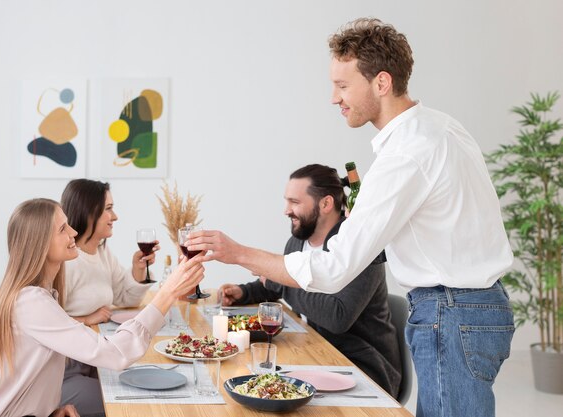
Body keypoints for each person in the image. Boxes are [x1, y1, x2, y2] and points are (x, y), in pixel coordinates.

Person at [187, 18, 515, 417]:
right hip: (472, 307)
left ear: (381, 83)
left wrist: (236, 252)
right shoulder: (441, 129)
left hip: (450, 311)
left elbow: (334, 269)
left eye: (343, 86)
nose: (333, 98)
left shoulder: (406, 154)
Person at [0, 198, 204, 417]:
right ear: (39, 243)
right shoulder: (31, 303)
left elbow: (25, 377)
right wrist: (167, 293)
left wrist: (49, 410)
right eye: (63, 229)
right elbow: (115, 354)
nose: (73, 232)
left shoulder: (37, 297)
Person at [219, 164, 402, 397]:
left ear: (326, 204)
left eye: (294, 202)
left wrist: (277, 281)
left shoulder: (359, 248)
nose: (286, 210)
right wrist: (245, 292)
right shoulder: (297, 242)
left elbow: (337, 317)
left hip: (362, 368)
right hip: (315, 354)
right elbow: (290, 285)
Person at [59, 179, 157, 415]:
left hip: (93, 361)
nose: (115, 217)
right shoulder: (67, 263)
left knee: (147, 385)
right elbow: (47, 326)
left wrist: (138, 270)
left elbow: (125, 299)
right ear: (89, 212)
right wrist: (87, 318)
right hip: (64, 372)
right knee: (129, 402)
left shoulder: (101, 251)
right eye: (109, 209)